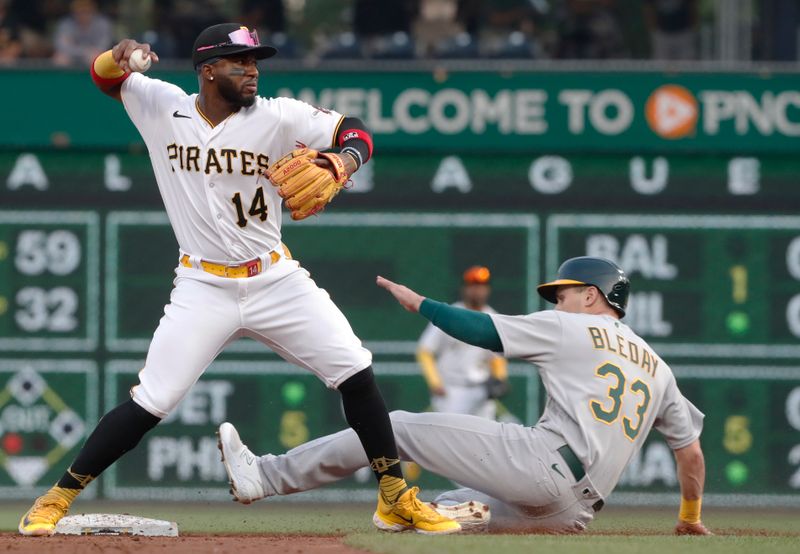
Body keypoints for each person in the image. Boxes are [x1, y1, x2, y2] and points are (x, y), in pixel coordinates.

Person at [19, 23, 458, 536]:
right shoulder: (163, 105)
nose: (251, 71)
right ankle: (55, 497)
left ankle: (394, 498)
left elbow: (354, 130)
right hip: (202, 286)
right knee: (151, 402)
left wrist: (345, 158)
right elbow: (102, 77)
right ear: (207, 71)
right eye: (238, 62)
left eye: (254, 62)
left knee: (356, 371)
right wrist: (119, 55)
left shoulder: (278, 114)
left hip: (275, 278)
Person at [217, 257, 712, 534]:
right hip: (574, 513)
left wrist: (422, 304)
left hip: (542, 466)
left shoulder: (572, 327)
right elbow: (689, 454)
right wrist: (689, 518)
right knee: (447, 506)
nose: (558, 301)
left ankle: (264, 476)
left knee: (397, 427)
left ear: (592, 295)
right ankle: (419, 512)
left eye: (563, 293)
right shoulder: (659, 369)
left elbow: (481, 330)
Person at [417, 265, 509, 419]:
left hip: (481, 390)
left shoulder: (493, 318)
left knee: (484, 438)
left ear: (488, 290)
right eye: (472, 285)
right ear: (464, 288)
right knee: (449, 437)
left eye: (481, 286)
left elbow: (497, 357)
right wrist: (435, 382)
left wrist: (499, 378)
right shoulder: (450, 314)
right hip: (451, 389)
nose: (477, 290)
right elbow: (425, 350)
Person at [52, 0, 114, 66]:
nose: (83, 14)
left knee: (96, 57)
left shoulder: (103, 23)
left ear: (93, 10)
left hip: (94, 55)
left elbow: (104, 46)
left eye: (86, 11)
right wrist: (85, 51)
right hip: (73, 56)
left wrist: (90, 52)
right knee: (60, 58)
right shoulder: (66, 24)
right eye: (79, 11)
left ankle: (92, 76)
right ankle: (67, 76)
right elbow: (62, 46)